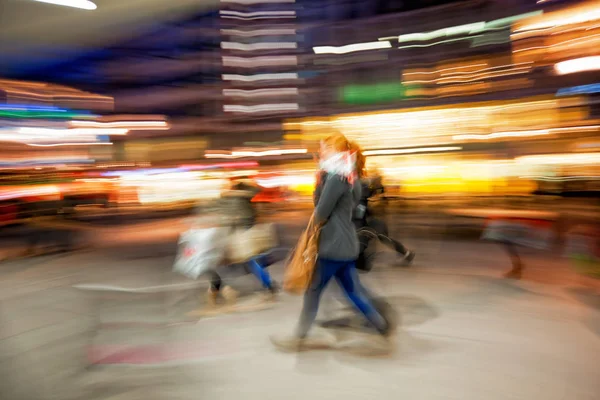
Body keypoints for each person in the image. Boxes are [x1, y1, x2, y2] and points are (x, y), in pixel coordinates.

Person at [271, 133, 391, 351]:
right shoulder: (351, 175)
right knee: (352, 292)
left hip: (332, 245)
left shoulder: (336, 177)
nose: (320, 152)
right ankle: (381, 327)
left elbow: (320, 211)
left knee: (313, 292)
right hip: (346, 244)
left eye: (324, 148)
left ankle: (298, 338)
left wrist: (319, 180)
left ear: (335, 150)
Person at [354, 174, 415, 272]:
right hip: (373, 224)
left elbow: (361, 218)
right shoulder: (362, 201)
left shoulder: (360, 202)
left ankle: (363, 262)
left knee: (369, 241)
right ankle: (406, 253)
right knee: (384, 240)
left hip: (373, 225)